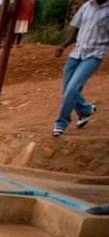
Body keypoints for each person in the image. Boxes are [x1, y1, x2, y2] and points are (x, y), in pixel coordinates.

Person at [52, 0, 108, 136]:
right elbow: (74, 32)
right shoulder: (86, 6)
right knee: (67, 89)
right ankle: (85, 110)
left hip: (94, 55)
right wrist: (62, 46)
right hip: (76, 54)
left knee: (72, 88)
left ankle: (61, 123)